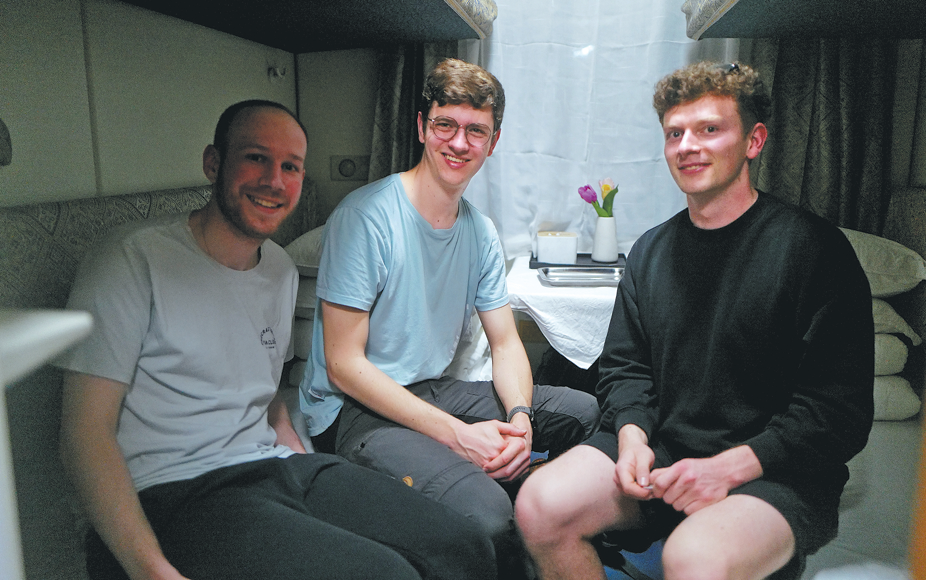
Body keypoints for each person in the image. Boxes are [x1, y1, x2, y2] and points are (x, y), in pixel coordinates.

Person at [58, 99, 497, 580]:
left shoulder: (279, 270)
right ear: (213, 163)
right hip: (175, 490)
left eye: (290, 167)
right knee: (387, 574)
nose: (274, 180)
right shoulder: (132, 259)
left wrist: (308, 471)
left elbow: (266, 396)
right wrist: (151, 570)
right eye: (256, 158)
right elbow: (84, 433)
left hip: (276, 468)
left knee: (464, 544)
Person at [514, 61, 874, 580]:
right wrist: (633, 438)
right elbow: (625, 368)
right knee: (540, 506)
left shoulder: (814, 250)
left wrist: (727, 469)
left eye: (709, 129)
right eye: (674, 133)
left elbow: (838, 411)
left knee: (693, 558)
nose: (687, 146)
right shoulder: (650, 252)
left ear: (753, 141)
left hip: (773, 470)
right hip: (663, 449)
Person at [299, 58, 601, 579]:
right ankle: (505, 508)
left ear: (493, 141)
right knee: (487, 515)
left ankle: (539, 512)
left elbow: (505, 344)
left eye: (476, 131)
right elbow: (344, 364)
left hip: (429, 388)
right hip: (353, 409)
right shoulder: (365, 218)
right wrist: (459, 436)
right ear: (422, 127)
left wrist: (521, 419)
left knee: (585, 411)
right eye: (446, 125)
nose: (459, 143)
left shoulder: (480, 231)